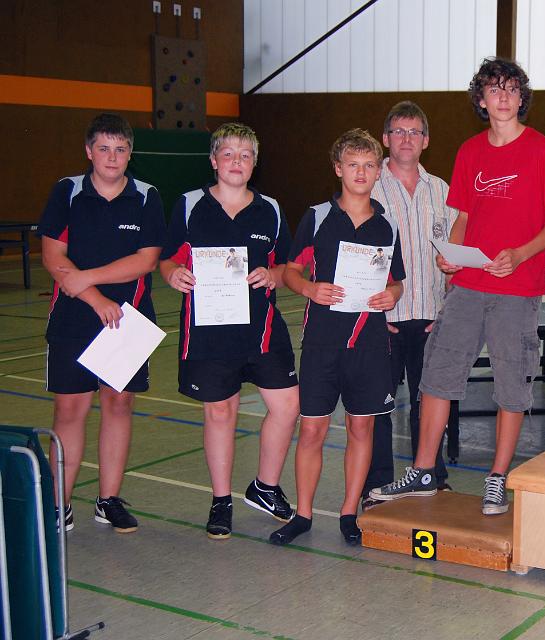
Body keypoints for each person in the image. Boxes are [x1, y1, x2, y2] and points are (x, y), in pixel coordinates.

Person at [369, 58, 545, 515]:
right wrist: (451, 257)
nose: (503, 96)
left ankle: (497, 478)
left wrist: (520, 254)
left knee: (511, 386)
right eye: (494, 89)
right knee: (438, 377)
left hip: (517, 287)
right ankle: (423, 471)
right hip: (468, 286)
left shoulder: (540, 150)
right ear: (481, 99)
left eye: (511, 88)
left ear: (521, 97)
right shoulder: (470, 151)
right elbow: (462, 216)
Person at [160, 123, 300, 540]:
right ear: (213, 160)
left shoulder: (270, 209)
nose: (237, 161)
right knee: (220, 412)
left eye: (245, 155)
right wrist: (173, 275)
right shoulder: (189, 205)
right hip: (210, 330)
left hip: (262, 328)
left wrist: (273, 275)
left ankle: (265, 487)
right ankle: (221, 500)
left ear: (255, 163)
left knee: (288, 405)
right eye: (228, 154)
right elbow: (167, 259)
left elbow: (287, 266)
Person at [270, 129, 405, 546]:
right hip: (322, 344)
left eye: (369, 165)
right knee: (311, 431)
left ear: (379, 171)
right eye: (353, 165)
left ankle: (349, 513)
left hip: (369, 346)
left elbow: (396, 280)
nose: (361, 172)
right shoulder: (316, 217)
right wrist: (310, 289)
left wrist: (392, 295)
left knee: (361, 429)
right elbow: (290, 271)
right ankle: (303, 514)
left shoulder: (387, 224)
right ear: (338, 169)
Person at [39, 113, 165, 533]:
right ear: (89, 151)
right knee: (70, 409)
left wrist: (89, 278)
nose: (113, 157)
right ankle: (58, 503)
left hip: (127, 319)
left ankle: (108, 500)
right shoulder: (68, 191)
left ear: (131, 153)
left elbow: (146, 260)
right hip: (74, 318)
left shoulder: (146, 196)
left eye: (121, 149)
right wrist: (94, 298)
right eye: (104, 148)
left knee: (118, 403)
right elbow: (53, 256)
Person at [360, 101, 458, 511]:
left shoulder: (443, 191)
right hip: (383, 319)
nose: (406, 139)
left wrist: (448, 311)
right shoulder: (368, 187)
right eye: (398, 131)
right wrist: (369, 314)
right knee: (378, 407)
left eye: (414, 132)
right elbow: (354, 255)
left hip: (432, 319)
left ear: (426, 141)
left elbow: (455, 256)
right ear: (385, 139)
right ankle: (377, 485)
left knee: (430, 404)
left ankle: (431, 476)